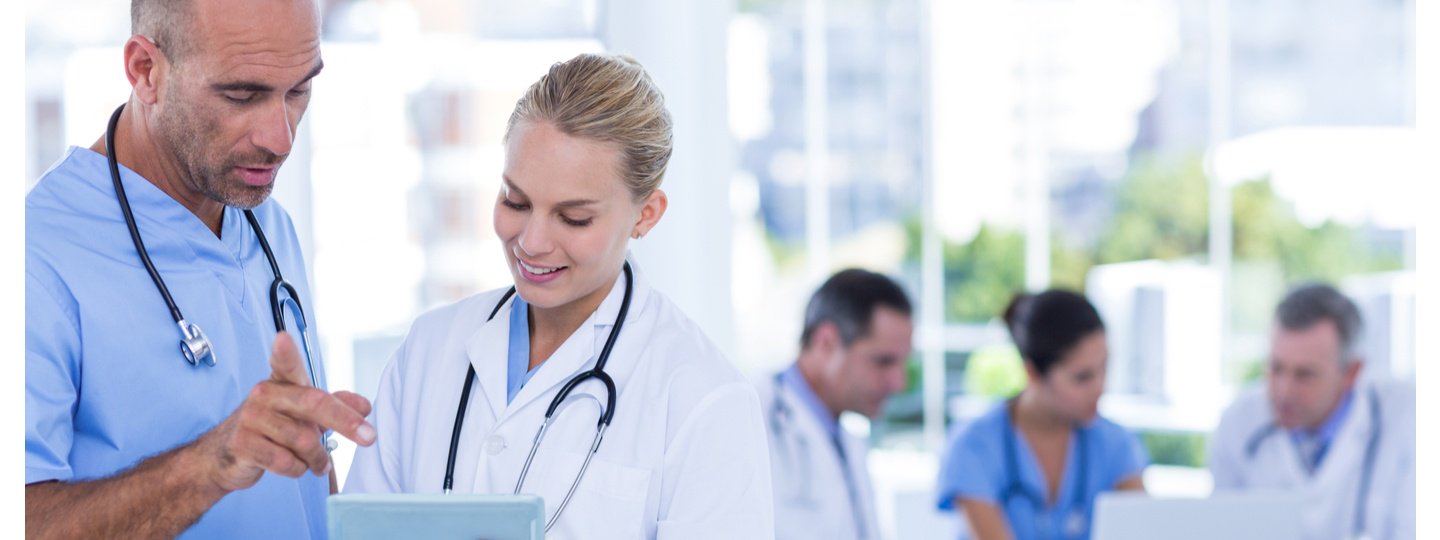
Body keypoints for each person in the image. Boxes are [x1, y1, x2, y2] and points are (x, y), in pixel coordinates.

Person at [344, 53, 775, 539]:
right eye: (515, 201)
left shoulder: (703, 397)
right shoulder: (428, 351)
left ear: (646, 215)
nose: (531, 242)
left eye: (574, 218)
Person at [24, 0, 376, 537]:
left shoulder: (264, 220)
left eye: (299, 90)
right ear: (146, 71)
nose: (280, 139)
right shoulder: (34, 258)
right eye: (241, 94)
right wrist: (210, 464)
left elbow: (300, 482)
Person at [1209, 284, 1415, 540]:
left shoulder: (1408, 421)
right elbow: (1222, 529)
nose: (1284, 391)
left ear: (1351, 373)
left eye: (1305, 375)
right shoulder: (1237, 424)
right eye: (1276, 368)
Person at [936, 290, 1147, 540]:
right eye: (1082, 377)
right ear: (1033, 373)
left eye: (1104, 368)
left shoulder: (1116, 444)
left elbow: (1139, 530)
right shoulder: (974, 446)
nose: (1100, 387)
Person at [759, 269, 913, 540]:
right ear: (826, 343)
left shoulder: (848, 438)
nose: (898, 382)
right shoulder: (754, 421)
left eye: (902, 362)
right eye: (883, 361)